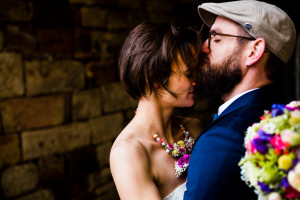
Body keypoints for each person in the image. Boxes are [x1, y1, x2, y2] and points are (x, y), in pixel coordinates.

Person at [184, 1, 297, 200]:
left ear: (253, 51)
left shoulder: (220, 140)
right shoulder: (284, 121)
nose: (203, 48)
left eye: (216, 38)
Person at [110, 22, 203, 200]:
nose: (196, 80)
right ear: (154, 78)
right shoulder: (129, 152)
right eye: (189, 73)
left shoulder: (194, 128)